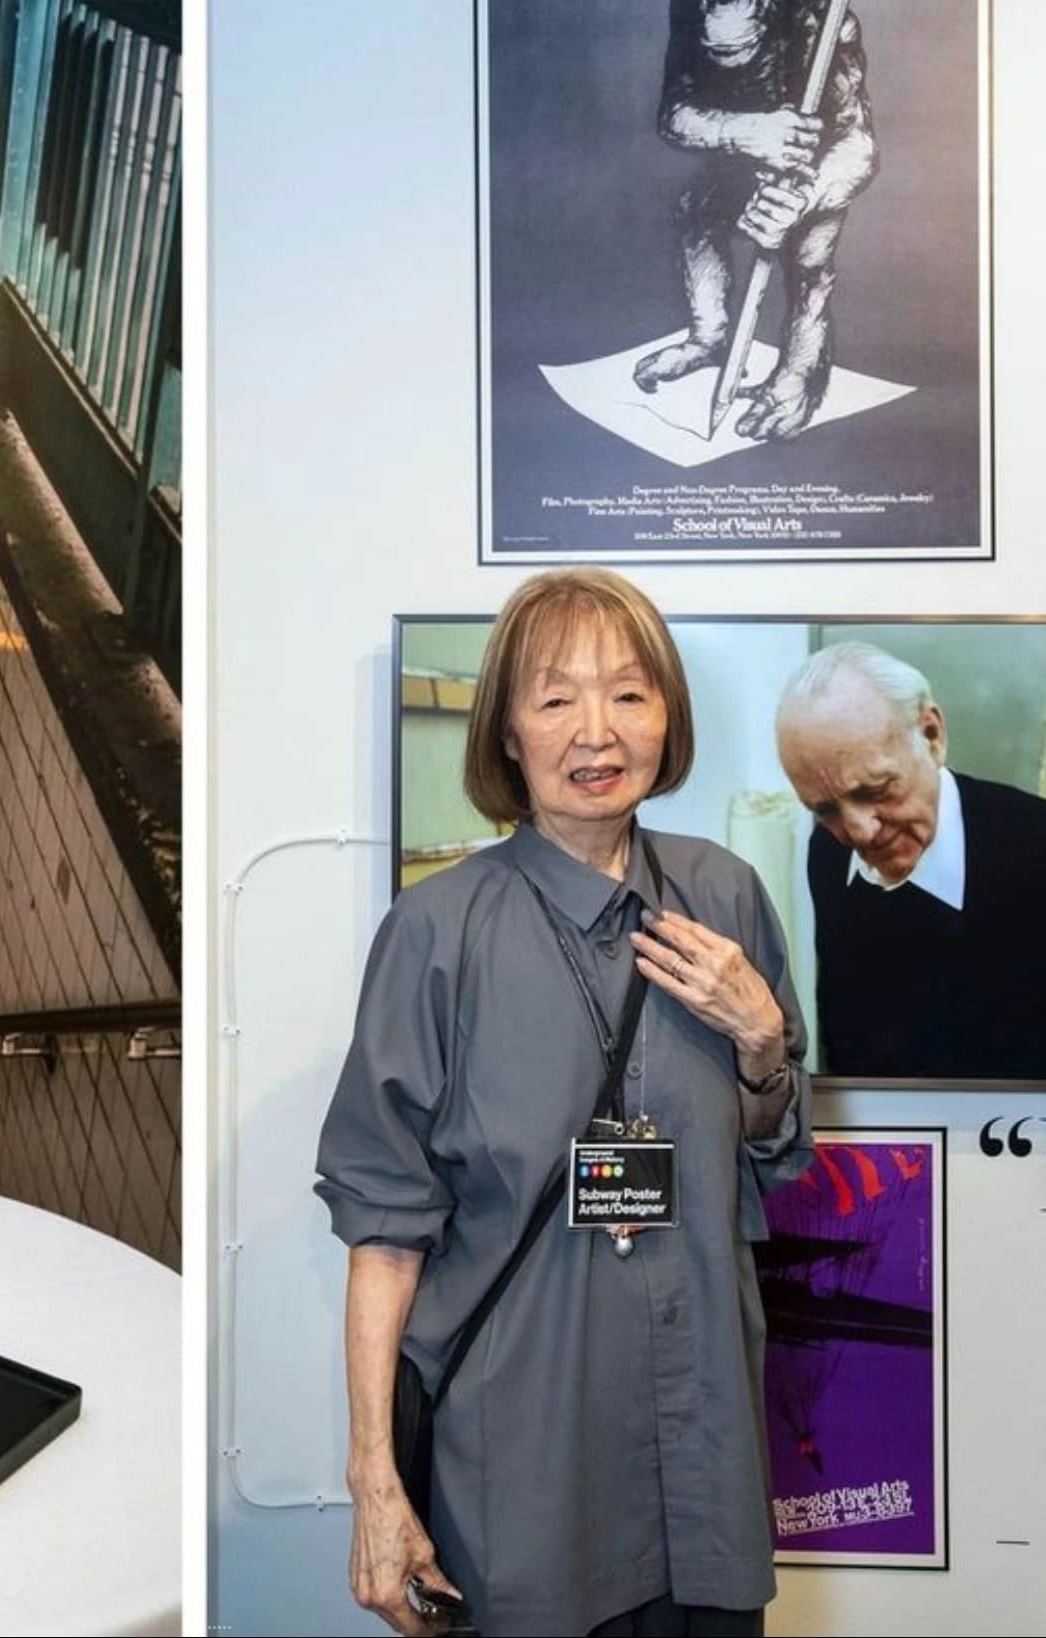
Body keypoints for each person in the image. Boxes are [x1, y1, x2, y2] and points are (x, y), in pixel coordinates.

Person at [318, 569, 813, 1637]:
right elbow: (384, 1229)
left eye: (629, 693)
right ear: (505, 729)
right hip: (520, 1465)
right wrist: (373, 1483)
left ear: (667, 716)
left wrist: (765, 1043)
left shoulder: (723, 894)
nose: (597, 730)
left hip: (703, 1445)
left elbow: (770, 1144)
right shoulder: (436, 932)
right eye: (555, 698)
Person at [774, 642, 1046, 1084]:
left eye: (877, 790)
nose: (860, 832)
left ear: (932, 735)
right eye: (825, 809)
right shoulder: (830, 855)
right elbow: (849, 1040)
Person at [632, 0, 879, 442]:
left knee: (810, 257)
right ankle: (710, 340)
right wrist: (742, 132)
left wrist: (801, 198)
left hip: (815, 167)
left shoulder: (822, 22)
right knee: (696, 212)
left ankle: (799, 375)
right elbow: (673, 116)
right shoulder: (689, 7)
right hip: (743, 153)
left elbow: (859, 146)